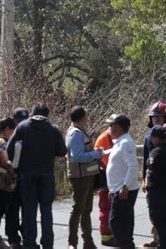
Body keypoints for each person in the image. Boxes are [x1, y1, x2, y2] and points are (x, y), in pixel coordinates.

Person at [6, 104, 67, 249]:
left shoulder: (22, 127)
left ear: (32, 113)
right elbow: (62, 151)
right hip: (47, 174)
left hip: (27, 174)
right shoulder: (53, 129)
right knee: (46, 210)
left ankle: (29, 243)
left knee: (29, 209)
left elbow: (9, 149)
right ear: (47, 115)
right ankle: (47, 243)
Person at [66, 106, 103, 249]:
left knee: (86, 210)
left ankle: (88, 242)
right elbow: (77, 156)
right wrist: (96, 154)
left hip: (87, 175)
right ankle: (72, 243)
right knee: (78, 209)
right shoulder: (75, 133)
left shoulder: (79, 132)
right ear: (82, 118)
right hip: (80, 177)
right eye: (86, 117)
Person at [106, 115, 139, 249]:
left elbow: (133, 166)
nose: (109, 128)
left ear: (119, 127)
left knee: (117, 223)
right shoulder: (120, 142)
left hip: (124, 190)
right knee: (124, 223)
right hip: (118, 189)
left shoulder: (126, 143)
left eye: (111, 125)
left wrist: (125, 186)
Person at [143, 101, 166, 247]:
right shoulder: (148, 137)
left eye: (159, 118)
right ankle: (156, 238)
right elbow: (145, 160)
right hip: (151, 180)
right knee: (153, 211)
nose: (156, 121)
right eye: (154, 118)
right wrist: (144, 179)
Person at [94, 114, 119, 247]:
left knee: (114, 208)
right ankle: (106, 236)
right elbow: (98, 158)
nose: (112, 127)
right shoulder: (104, 138)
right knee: (106, 207)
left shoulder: (119, 137)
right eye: (111, 125)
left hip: (115, 178)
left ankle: (113, 234)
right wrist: (107, 170)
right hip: (106, 178)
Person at [5, 108, 29, 249]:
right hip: (12, 177)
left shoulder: (30, 135)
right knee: (13, 209)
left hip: (26, 176)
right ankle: (14, 239)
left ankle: (25, 234)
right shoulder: (8, 137)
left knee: (27, 208)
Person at [0, 118, 17, 248]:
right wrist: (13, 171)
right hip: (1, 184)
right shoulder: (1, 143)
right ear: (6, 130)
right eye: (12, 131)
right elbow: (5, 162)